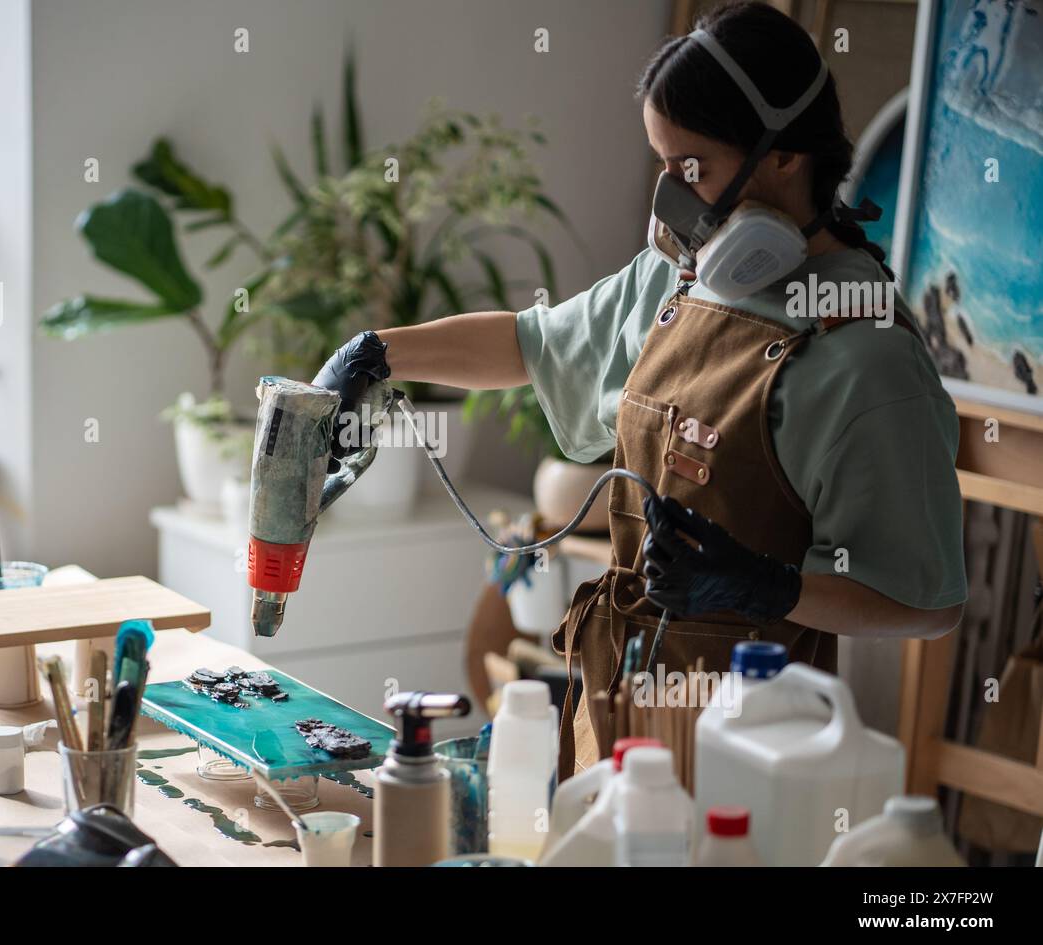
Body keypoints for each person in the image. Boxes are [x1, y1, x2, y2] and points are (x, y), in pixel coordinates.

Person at [311, 1, 966, 776]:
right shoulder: (682, 276)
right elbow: (533, 342)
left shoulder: (866, 354)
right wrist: (377, 354)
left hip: (747, 744)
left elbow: (927, 603)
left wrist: (768, 586)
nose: (671, 195)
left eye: (692, 167)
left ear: (787, 155)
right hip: (614, 700)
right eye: (662, 162)